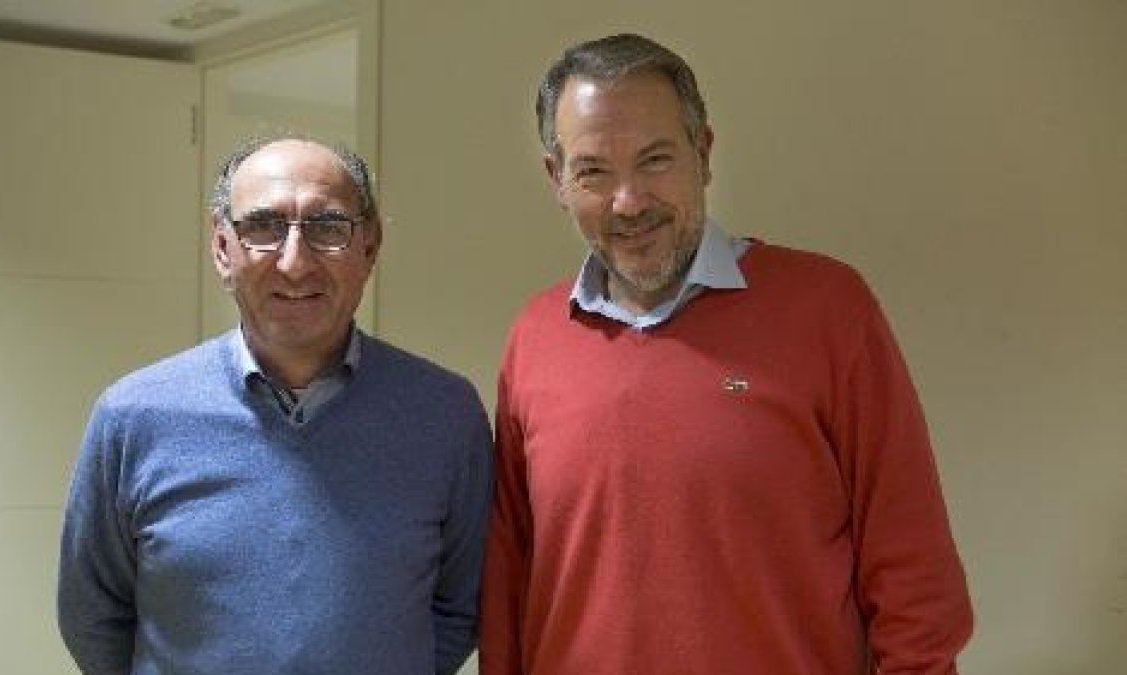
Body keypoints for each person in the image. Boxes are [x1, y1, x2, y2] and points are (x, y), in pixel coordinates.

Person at [480, 33, 973, 674]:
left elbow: (913, 570)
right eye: (594, 171)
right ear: (558, 179)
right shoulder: (534, 336)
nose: (629, 201)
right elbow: (510, 576)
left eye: (655, 160)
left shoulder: (828, 309)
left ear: (703, 153)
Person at [58, 136, 492, 675]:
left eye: (328, 227)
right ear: (222, 249)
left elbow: (461, 605)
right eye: (262, 227)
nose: (294, 262)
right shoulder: (133, 417)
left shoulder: (444, 415)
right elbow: (92, 614)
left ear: (370, 248)